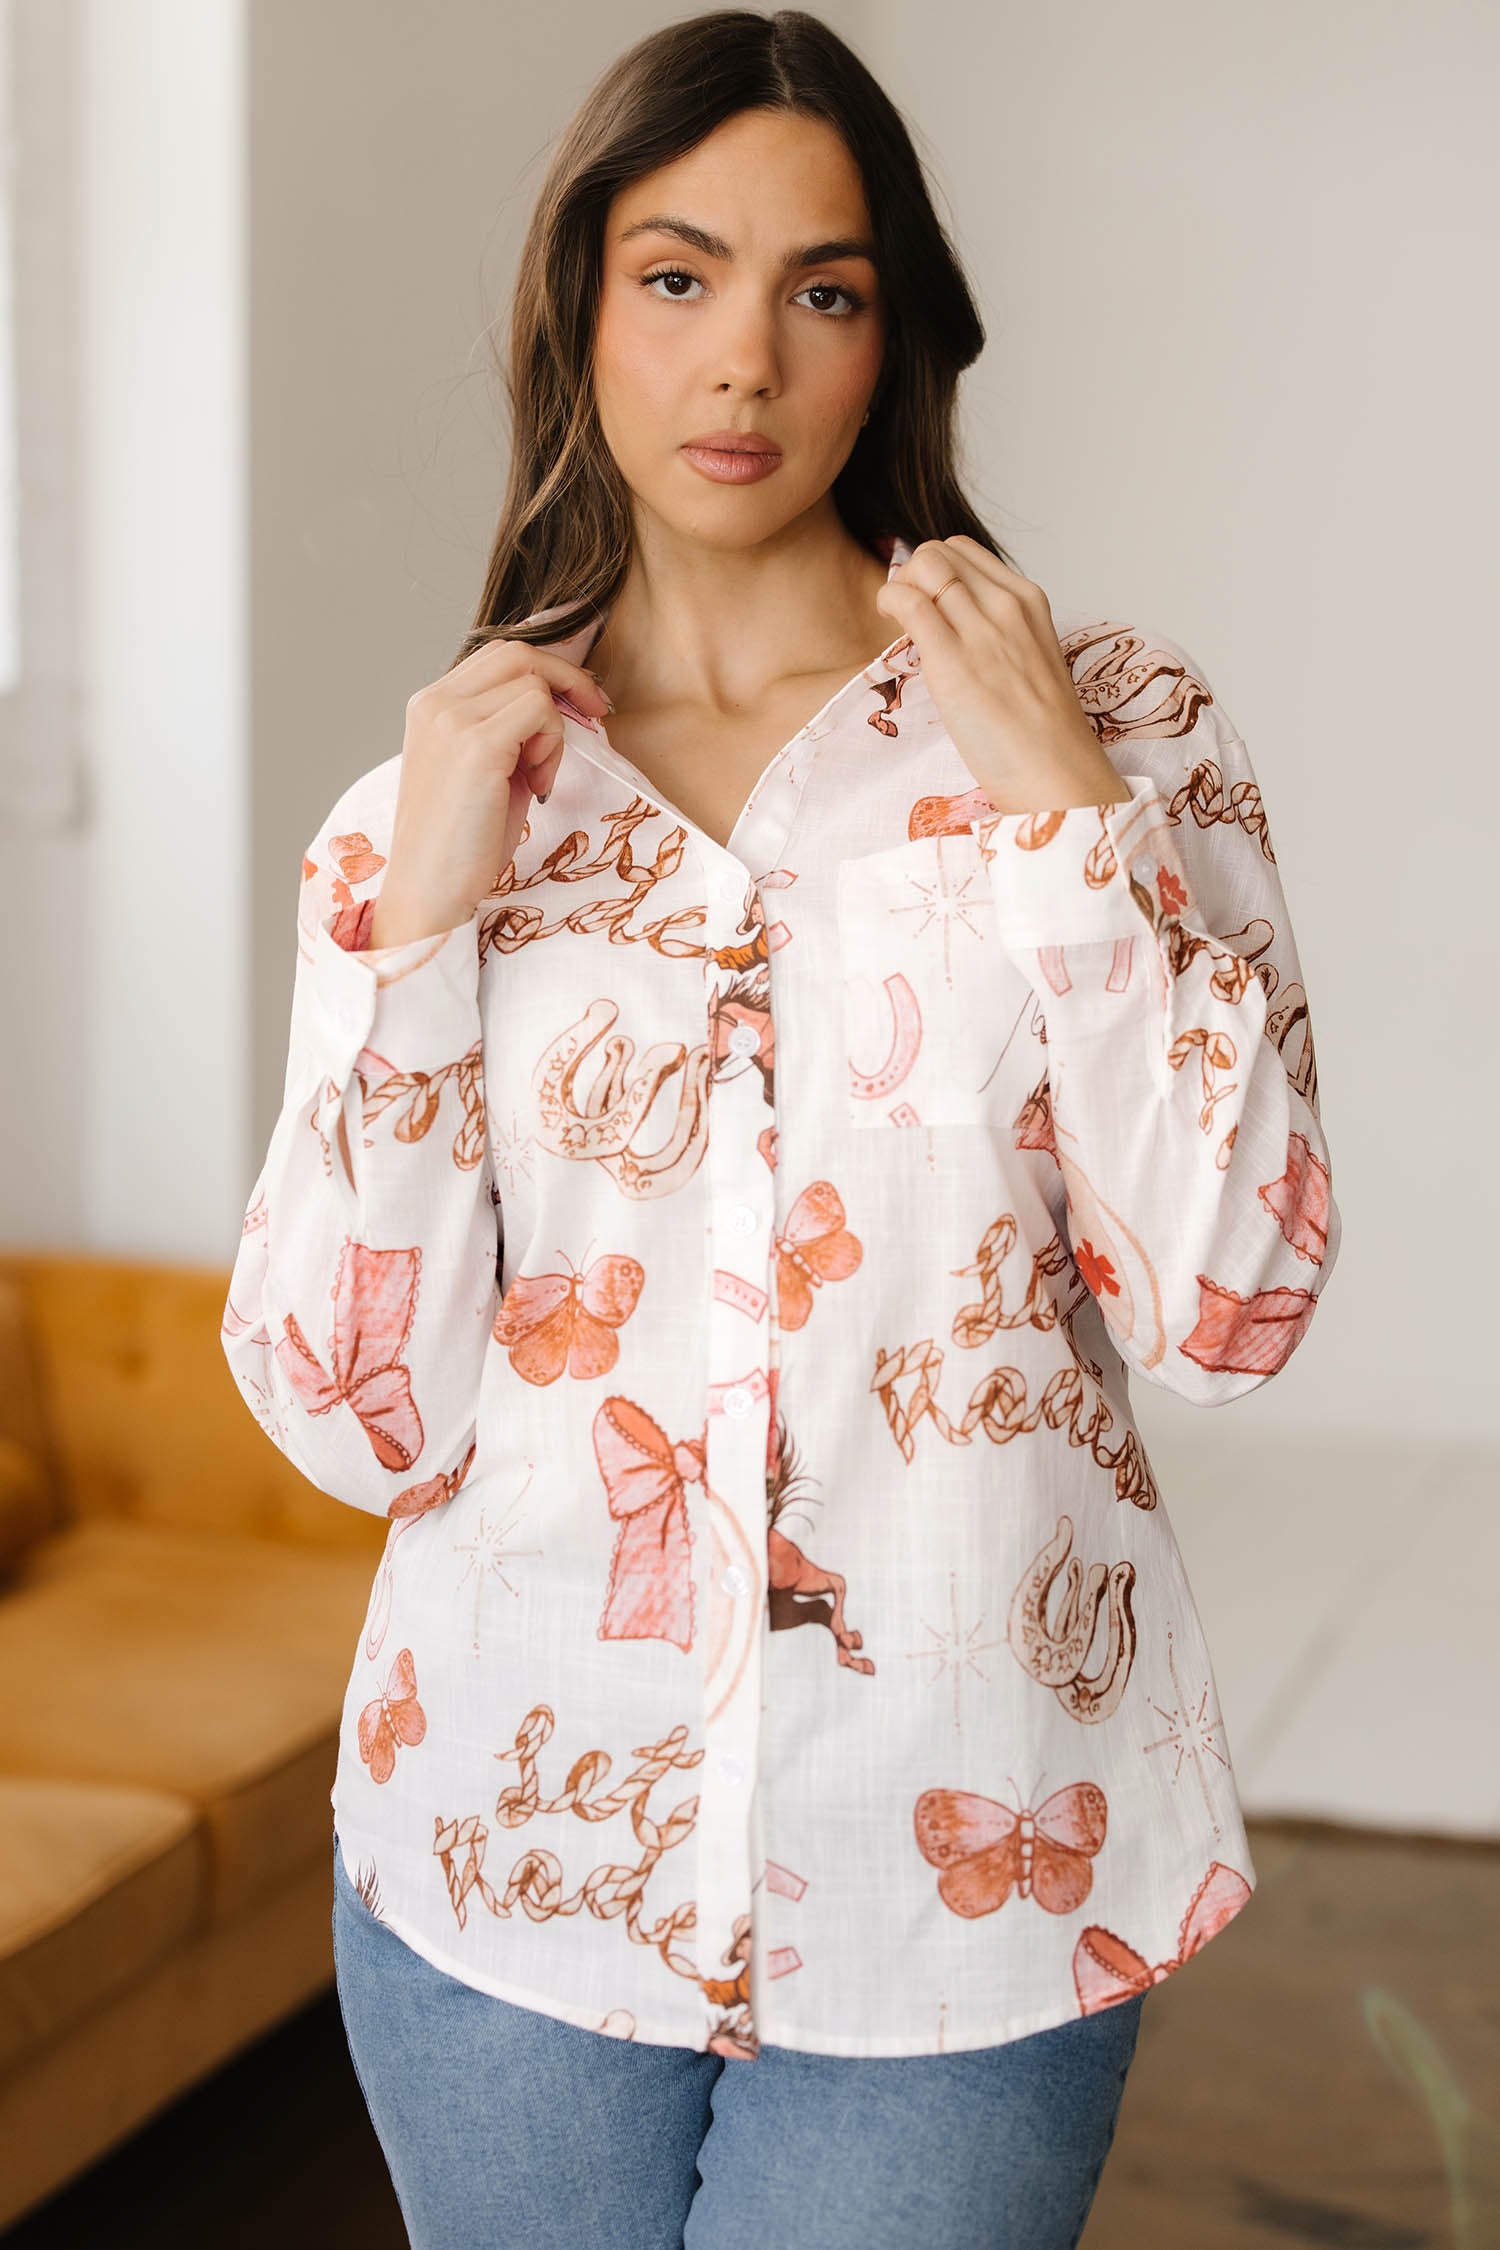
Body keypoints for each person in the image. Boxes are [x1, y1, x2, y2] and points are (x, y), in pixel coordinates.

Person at [221, 10, 1341, 2245]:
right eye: (678, 275)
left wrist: (1064, 825)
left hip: (967, 1879)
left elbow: (1229, 1313)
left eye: (821, 290)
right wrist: (420, 929)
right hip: (505, 1860)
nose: (743, 357)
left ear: (891, 336)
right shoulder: (432, 808)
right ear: (580, 311)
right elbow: (358, 1423)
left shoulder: (1119, 739)